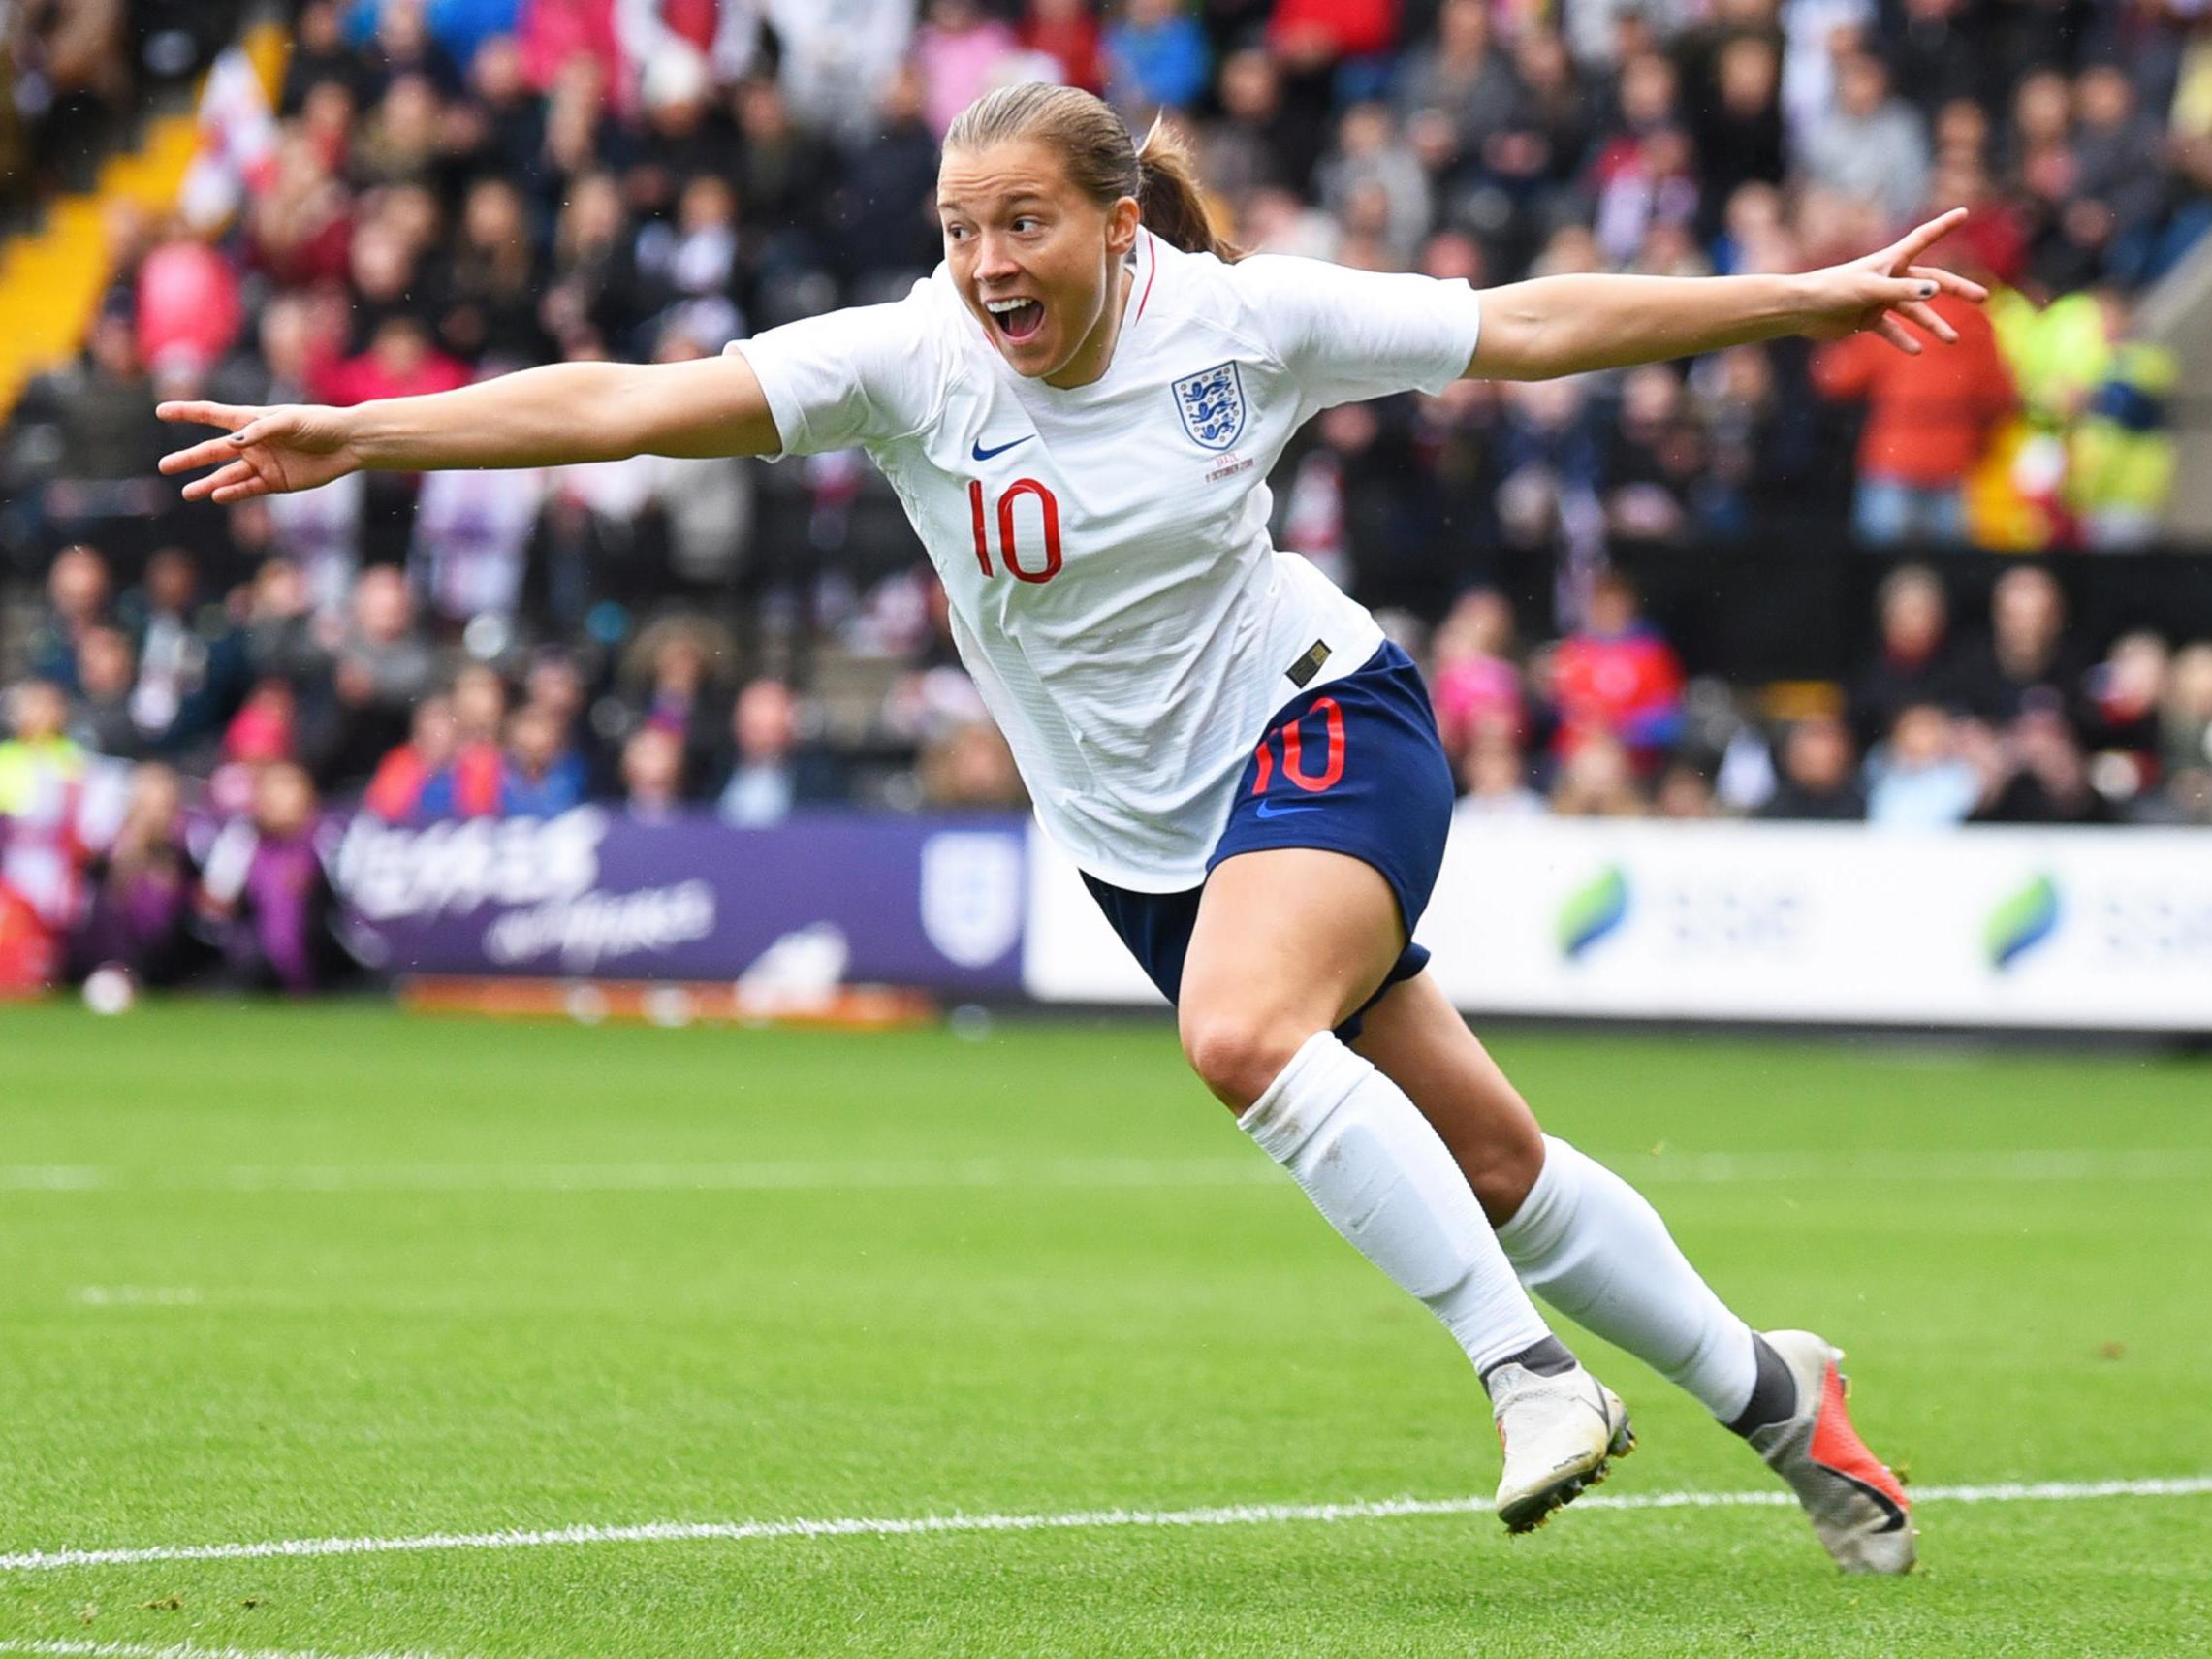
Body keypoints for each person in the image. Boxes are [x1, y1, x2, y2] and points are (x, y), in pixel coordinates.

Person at [156, 82, 1980, 1567]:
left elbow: (1524, 325)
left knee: (1242, 1037)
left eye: (1018, 224)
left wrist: (1800, 298)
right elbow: (624, 403)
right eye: (957, 231)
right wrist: (369, 433)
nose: (982, 263)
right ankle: (1774, 1395)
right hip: (1142, 845)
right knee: (1491, 1160)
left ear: (1117, 225)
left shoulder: (1240, 324)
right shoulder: (906, 363)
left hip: (1324, 725)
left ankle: (1526, 1376)